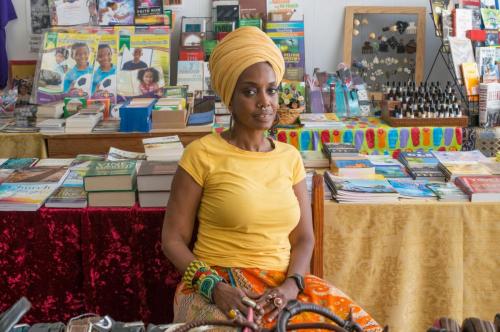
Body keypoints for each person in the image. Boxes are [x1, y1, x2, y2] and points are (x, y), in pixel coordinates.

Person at [162, 26, 382, 331]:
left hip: (281, 288)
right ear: (229, 97)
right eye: (250, 91)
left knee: (360, 327)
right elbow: (172, 240)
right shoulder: (201, 155)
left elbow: (304, 238)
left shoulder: (289, 157)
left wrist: (292, 285)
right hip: (217, 285)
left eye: (271, 89)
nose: (264, 101)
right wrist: (214, 287)